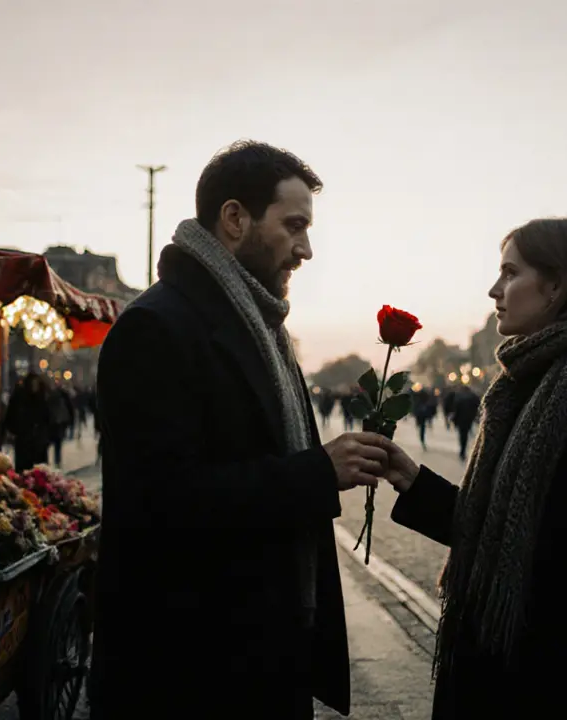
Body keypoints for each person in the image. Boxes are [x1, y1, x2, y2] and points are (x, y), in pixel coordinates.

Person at [89, 141, 391, 719]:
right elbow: (162, 502)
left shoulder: (263, 326)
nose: (306, 249)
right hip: (192, 668)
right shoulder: (156, 326)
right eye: (294, 225)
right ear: (234, 219)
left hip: (262, 651)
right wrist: (319, 470)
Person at [379, 218, 567, 718]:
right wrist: (412, 480)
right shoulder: (527, 384)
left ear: (555, 284)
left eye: (510, 273)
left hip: (562, 681)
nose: (494, 290)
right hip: (515, 660)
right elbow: (503, 526)